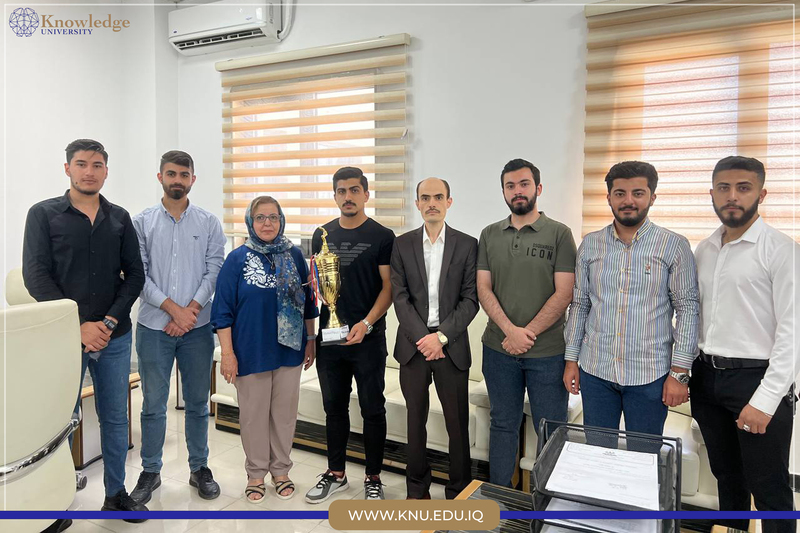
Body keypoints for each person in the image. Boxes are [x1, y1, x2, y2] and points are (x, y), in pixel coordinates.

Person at [22, 139, 148, 520]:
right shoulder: (43, 215)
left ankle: (115, 494)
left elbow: (135, 276)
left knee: (114, 417)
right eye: (81, 164)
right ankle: (55, 498)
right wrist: (77, 326)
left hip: (113, 336)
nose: (89, 171)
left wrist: (107, 322)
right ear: (67, 169)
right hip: (64, 338)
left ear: (106, 171)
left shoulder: (120, 218)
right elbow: (36, 276)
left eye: (97, 165)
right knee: (61, 419)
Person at [692, 156, 799, 533]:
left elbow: (792, 330)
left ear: (761, 193)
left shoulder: (782, 250)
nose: (732, 196)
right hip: (706, 378)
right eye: (723, 188)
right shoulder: (704, 249)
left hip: (755, 380)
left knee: (768, 487)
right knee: (727, 477)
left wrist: (766, 399)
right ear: (712, 194)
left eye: (743, 187)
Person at [563, 160, 699, 442]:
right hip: (596, 371)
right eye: (620, 193)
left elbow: (687, 309)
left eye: (638, 193)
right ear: (609, 197)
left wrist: (680, 373)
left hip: (650, 376)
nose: (628, 201)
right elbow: (580, 305)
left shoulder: (673, 245)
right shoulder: (591, 244)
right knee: (598, 455)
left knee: (644, 460)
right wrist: (571, 359)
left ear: (652, 197)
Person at [130, 151, 226, 504]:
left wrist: (191, 311)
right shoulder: (141, 223)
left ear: (192, 180)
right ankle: (150, 471)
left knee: (198, 403)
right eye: (171, 173)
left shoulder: (209, 223)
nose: (177, 180)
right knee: (154, 404)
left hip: (197, 328)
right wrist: (174, 310)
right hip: (154, 327)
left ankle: (199, 468)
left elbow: (214, 270)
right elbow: (138, 274)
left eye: (184, 174)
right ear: (160, 177)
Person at [476, 158, 576, 488]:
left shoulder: (560, 234)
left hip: (546, 354)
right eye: (510, 185)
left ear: (538, 188)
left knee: (551, 428)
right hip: (498, 349)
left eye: (524, 184)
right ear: (503, 191)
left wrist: (526, 334)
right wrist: (510, 332)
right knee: (503, 423)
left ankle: (546, 504)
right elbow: (483, 289)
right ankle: (499, 499)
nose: (517, 191)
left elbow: (564, 294)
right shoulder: (489, 234)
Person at [211, 196, 318, 503]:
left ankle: (281, 470)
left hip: (289, 350)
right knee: (254, 415)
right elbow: (222, 311)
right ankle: (256, 473)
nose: (267, 223)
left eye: (273, 217)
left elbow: (308, 302)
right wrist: (228, 354)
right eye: (261, 218)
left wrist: (310, 341)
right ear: (250, 221)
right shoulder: (237, 259)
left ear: (281, 220)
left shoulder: (295, 255)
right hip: (250, 351)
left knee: (284, 415)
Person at [305, 167, 395, 503]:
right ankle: (336, 473)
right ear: (334, 196)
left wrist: (367, 323)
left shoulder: (383, 236)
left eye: (354, 190)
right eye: (341, 191)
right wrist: (313, 336)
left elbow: (388, 288)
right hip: (331, 340)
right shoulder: (321, 234)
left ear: (366, 195)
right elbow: (318, 290)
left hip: (368, 338)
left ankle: (373, 477)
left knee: (373, 409)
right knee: (334, 408)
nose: (348, 197)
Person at [390, 177, 479, 500]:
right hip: (413, 349)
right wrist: (423, 339)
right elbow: (399, 298)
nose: (431, 203)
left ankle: (459, 492)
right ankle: (417, 491)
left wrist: (439, 337)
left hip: (451, 347)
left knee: (457, 426)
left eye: (438, 197)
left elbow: (470, 300)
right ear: (417, 204)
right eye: (425, 198)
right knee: (416, 423)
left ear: (449, 202)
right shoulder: (402, 244)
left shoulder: (468, 244)